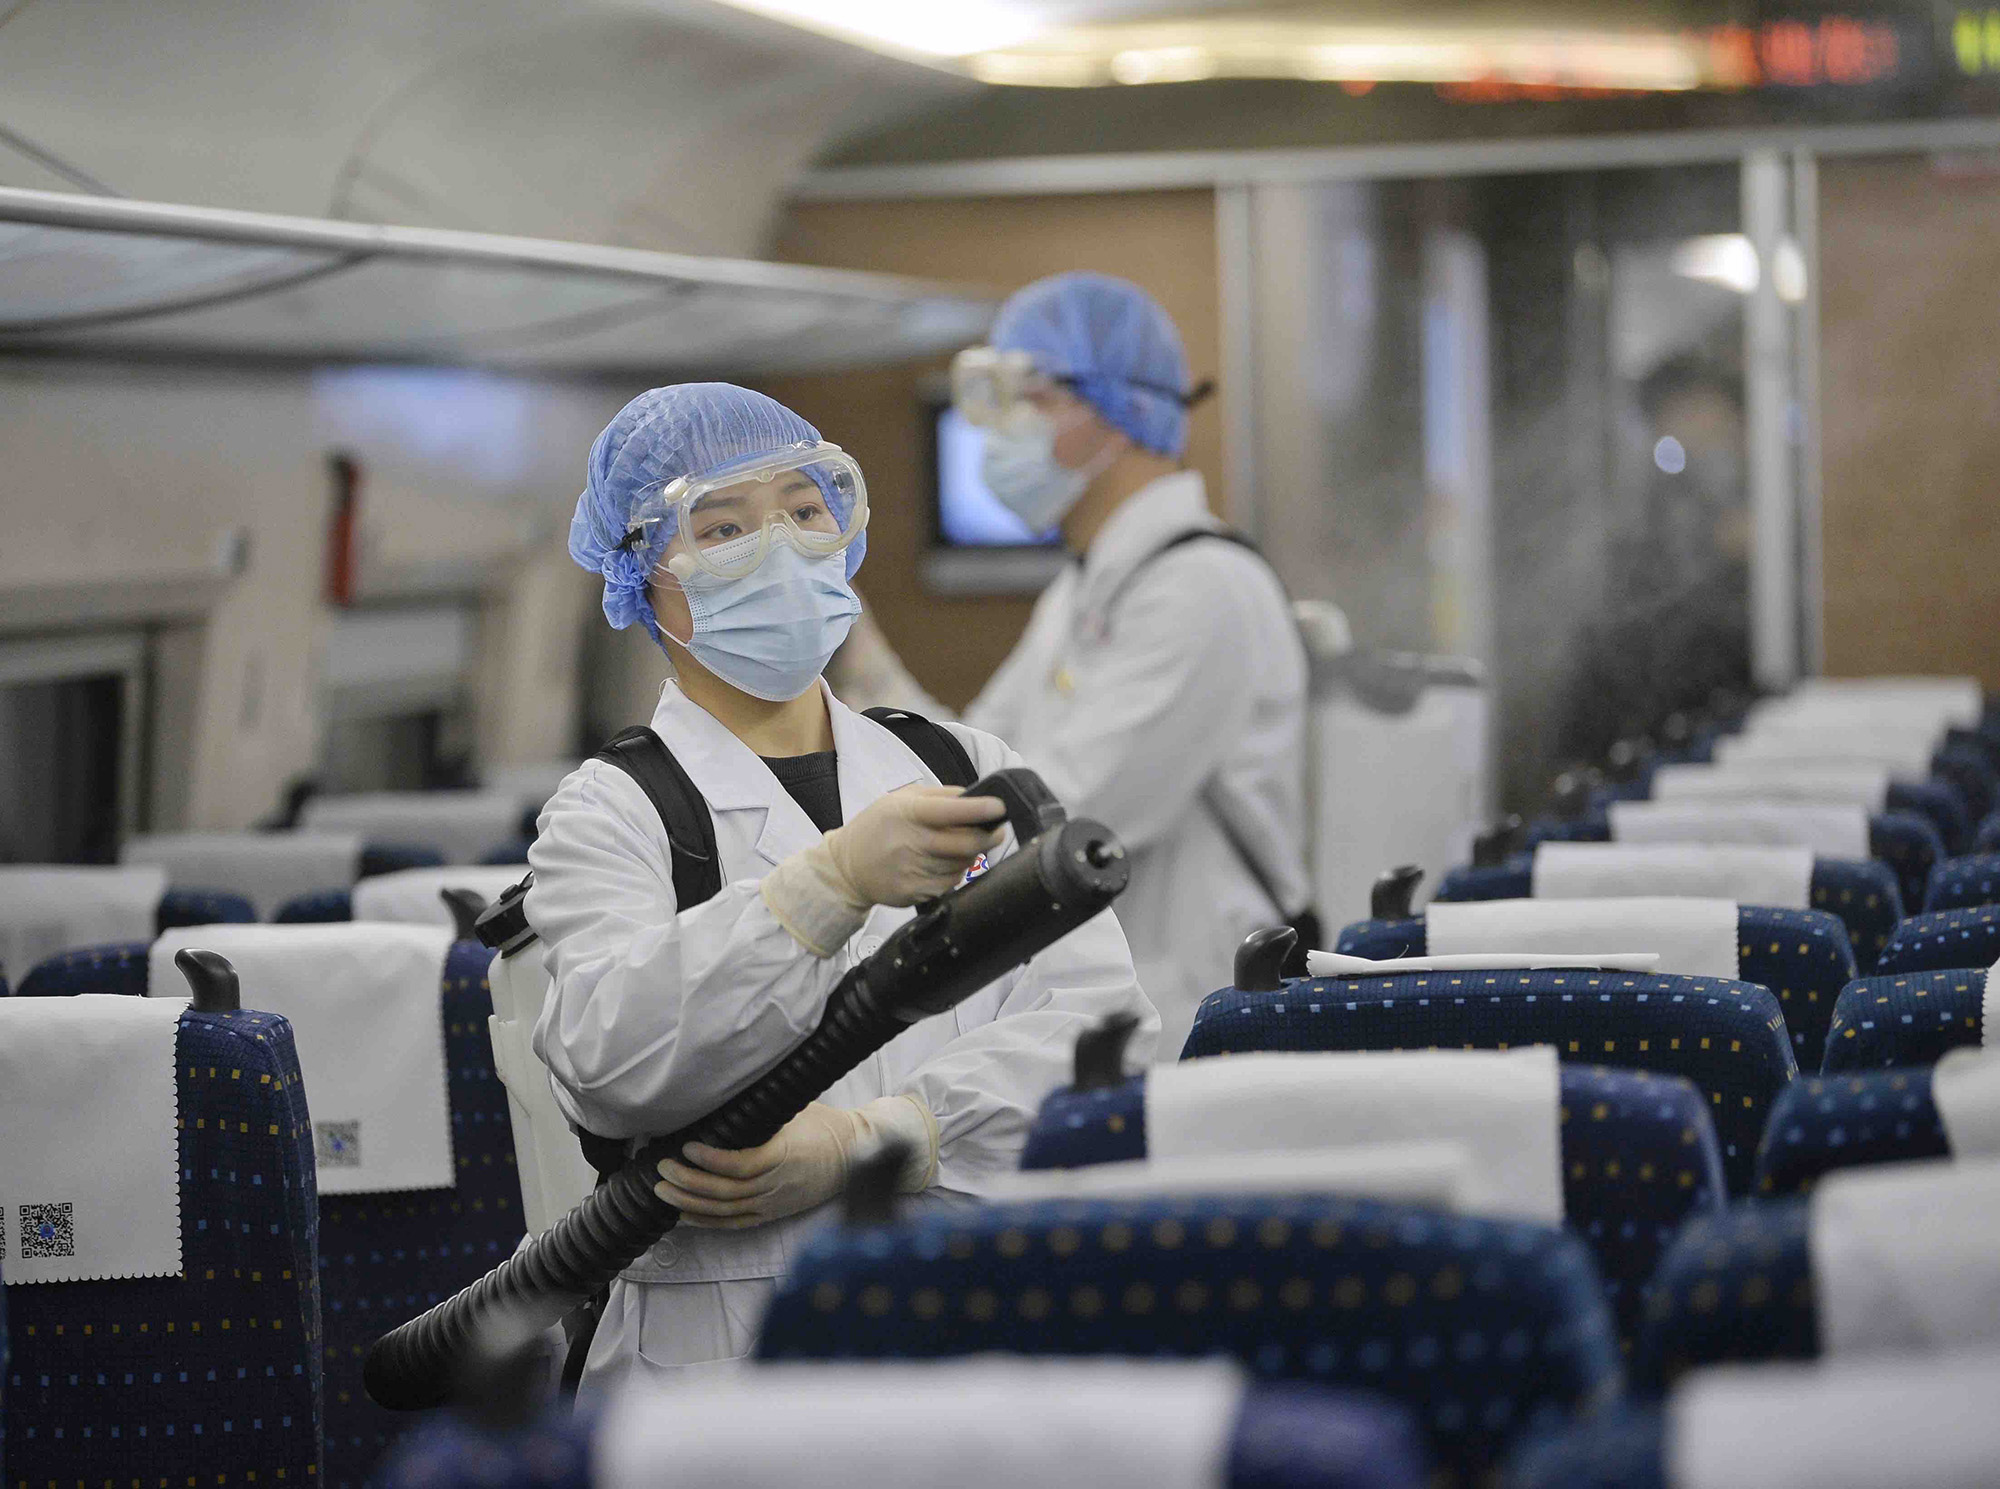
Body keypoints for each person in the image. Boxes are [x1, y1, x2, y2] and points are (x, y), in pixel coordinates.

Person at [530, 382, 1157, 1395]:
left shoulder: (962, 763)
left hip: (970, 1306)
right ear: (643, 574)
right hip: (723, 1354)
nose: (778, 547)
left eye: (803, 509)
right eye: (724, 528)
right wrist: (823, 888)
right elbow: (612, 1060)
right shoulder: (612, 811)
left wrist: (892, 1135)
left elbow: (1101, 1031)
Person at [832, 273, 1310, 1059]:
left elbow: (1054, 816)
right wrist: (854, 645)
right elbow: (974, 760)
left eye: (1033, 398)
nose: (1000, 434)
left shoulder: (1202, 587)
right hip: (1122, 1008)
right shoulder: (1085, 587)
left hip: (1198, 1014)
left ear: (1118, 410)